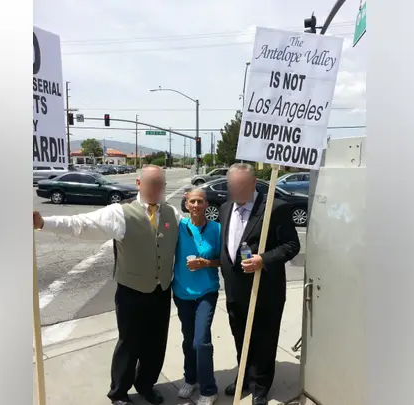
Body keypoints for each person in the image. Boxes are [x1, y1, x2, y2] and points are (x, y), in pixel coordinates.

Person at [33, 165, 182, 405]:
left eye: (160, 185)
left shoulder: (172, 214)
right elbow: (81, 225)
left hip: (161, 291)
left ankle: (145, 384)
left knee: (156, 343)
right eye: (151, 184)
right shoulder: (120, 213)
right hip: (131, 292)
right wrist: (44, 223)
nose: (157, 189)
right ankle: (119, 393)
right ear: (138, 184)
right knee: (129, 343)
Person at [218, 163, 300, 405]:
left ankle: (261, 386)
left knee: (264, 340)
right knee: (241, 337)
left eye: (241, 187)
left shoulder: (275, 208)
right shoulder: (224, 208)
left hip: (265, 292)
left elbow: (291, 245)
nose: (236, 192)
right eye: (232, 187)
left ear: (254, 184)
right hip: (234, 290)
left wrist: (263, 260)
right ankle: (244, 376)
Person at [172, 188, 222, 405]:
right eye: (192, 201)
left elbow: (224, 260)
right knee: (188, 340)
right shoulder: (179, 227)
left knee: (201, 341)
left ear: (206, 204)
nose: (195, 205)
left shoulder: (217, 229)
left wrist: (206, 263)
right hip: (182, 292)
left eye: (200, 201)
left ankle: (209, 389)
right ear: (186, 204)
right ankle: (190, 378)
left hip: (206, 292)